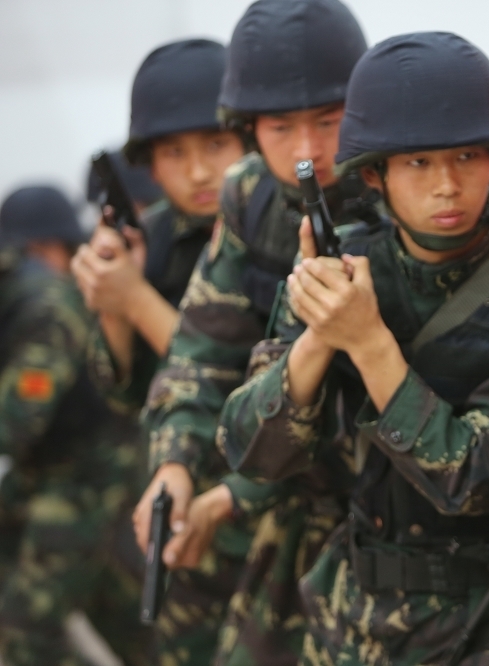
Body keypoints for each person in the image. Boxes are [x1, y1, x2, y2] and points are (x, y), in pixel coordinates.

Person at [217, 32, 489, 666]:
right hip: (352, 617)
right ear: (375, 173)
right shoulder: (343, 265)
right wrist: (319, 332)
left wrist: (368, 343)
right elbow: (249, 450)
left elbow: (478, 478)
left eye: (467, 156)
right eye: (419, 163)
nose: (446, 185)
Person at [133, 1, 376, 663]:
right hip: (284, 485)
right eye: (279, 127)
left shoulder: (402, 195)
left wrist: (233, 493)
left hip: (387, 508)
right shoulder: (251, 195)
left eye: (329, 121)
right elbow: (203, 345)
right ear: (246, 128)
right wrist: (175, 464)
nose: (306, 152)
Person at [70, 37, 248, 665]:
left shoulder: (268, 234)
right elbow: (121, 387)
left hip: (263, 507)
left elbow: (242, 380)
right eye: (175, 152)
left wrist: (135, 297)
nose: (198, 171)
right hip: (176, 505)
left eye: (215, 146)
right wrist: (113, 304)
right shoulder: (158, 236)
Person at [0, 185, 153, 666]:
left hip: (88, 475)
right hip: (49, 471)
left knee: (26, 631)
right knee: (124, 614)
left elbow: (17, 419)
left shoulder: (49, 305)